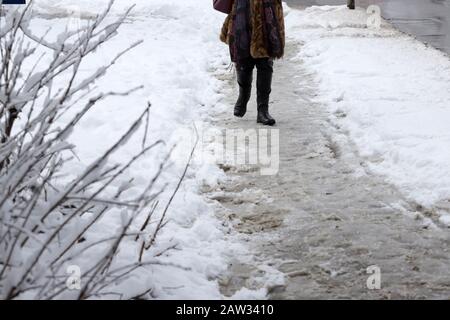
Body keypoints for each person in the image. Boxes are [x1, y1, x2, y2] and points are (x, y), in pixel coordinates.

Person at [220, 0, 285, 126]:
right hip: (242, 11)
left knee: (265, 62)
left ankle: (263, 110)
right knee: (243, 61)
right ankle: (243, 95)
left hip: (266, 10)